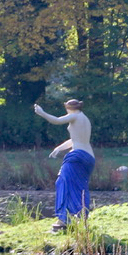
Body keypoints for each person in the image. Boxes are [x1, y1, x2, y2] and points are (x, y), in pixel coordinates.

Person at [34, 99, 95, 232]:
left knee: (62, 182)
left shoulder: (74, 115)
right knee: (80, 186)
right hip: (89, 158)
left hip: (76, 157)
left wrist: (42, 113)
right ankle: (81, 217)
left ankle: (63, 219)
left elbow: (56, 120)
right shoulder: (85, 119)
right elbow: (76, 139)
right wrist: (59, 148)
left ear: (69, 108)